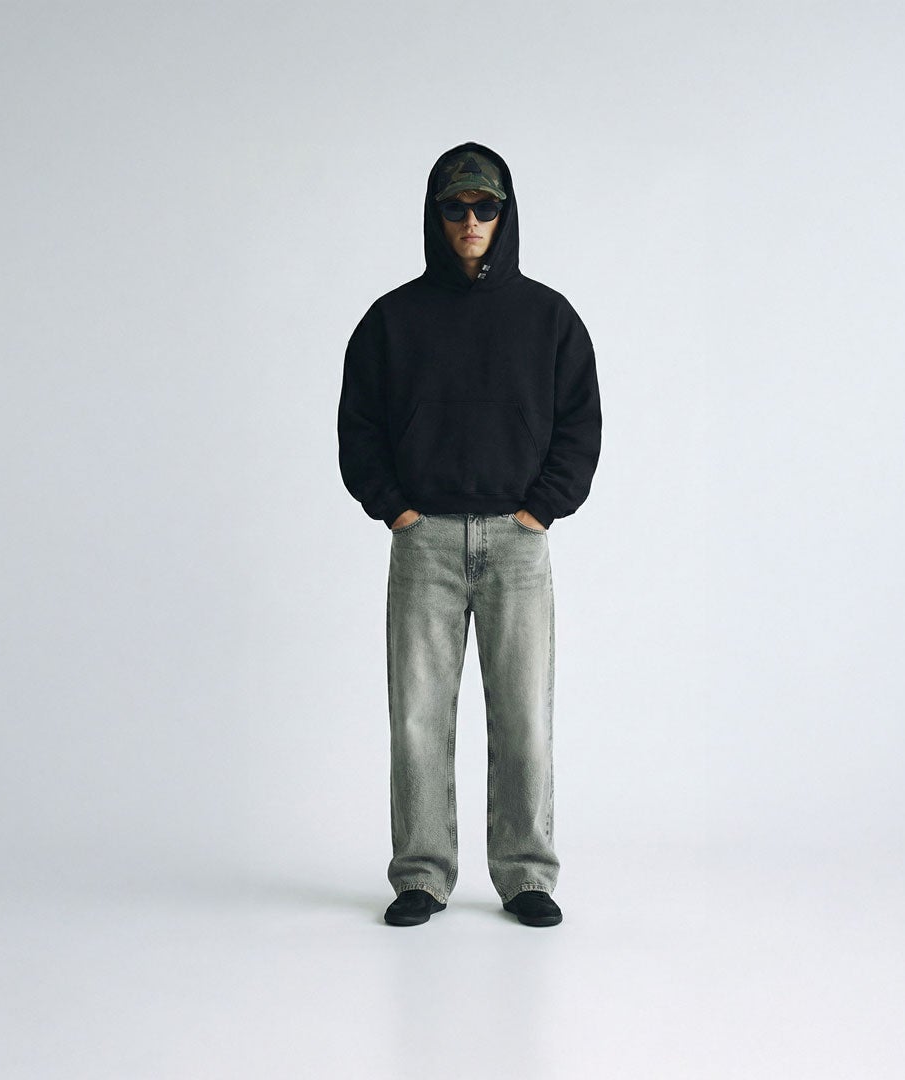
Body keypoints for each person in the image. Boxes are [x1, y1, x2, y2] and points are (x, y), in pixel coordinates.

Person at [337, 142, 603, 928]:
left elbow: (580, 424)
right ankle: (422, 874)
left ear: (505, 213)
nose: (470, 220)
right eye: (456, 207)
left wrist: (542, 510)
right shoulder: (392, 321)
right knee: (418, 718)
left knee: (524, 718)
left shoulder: (549, 318)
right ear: (436, 215)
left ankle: (526, 875)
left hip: (518, 546)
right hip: (424, 543)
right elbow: (359, 427)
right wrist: (396, 510)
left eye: (485, 206)